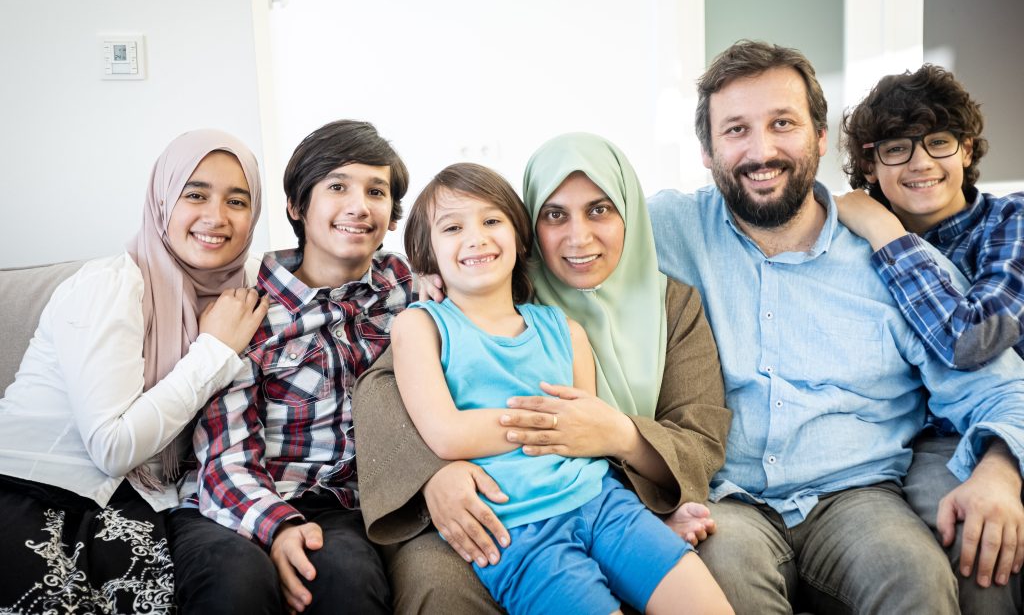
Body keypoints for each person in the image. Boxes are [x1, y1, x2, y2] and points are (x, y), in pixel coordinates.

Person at [647, 39, 1024, 614]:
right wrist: (456, 272)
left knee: (915, 578)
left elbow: (999, 386)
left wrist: (1000, 471)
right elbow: (550, 237)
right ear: (706, 149)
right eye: (736, 130)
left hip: (860, 495)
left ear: (820, 138)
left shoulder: (898, 260)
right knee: (717, 584)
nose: (762, 150)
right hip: (727, 501)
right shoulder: (667, 229)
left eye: (783, 124)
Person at [353, 136, 731, 613]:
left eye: (600, 210)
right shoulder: (435, 315)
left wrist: (618, 441)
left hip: (610, 503)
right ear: (534, 226)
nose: (578, 237)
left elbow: (683, 438)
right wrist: (435, 475)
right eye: (555, 214)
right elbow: (395, 397)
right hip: (517, 523)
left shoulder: (648, 311)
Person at [0, 129, 267, 613]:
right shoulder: (110, 287)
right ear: (162, 200)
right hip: (28, 492)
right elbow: (113, 446)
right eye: (196, 194)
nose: (216, 217)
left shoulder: (242, 291)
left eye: (237, 200)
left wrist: (436, 281)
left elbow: (322, 276)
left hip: (137, 507)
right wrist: (212, 350)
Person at [168, 120, 413, 615]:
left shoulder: (403, 290)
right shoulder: (250, 308)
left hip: (345, 505)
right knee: (235, 585)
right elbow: (224, 451)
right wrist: (278, 524)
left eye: (376, 191)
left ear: (391, 216)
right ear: (296, 207)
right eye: (337, 186)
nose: (359, 206)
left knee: (347, 578)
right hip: (239, 498)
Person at [837, 63, 1024, 369]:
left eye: (938, 142)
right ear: (869, 166)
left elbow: (970, 342)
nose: (921, 163)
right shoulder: (852, 245)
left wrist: (886, 233)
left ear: (965, 150)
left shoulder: (1013, 219)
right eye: (897, 149)